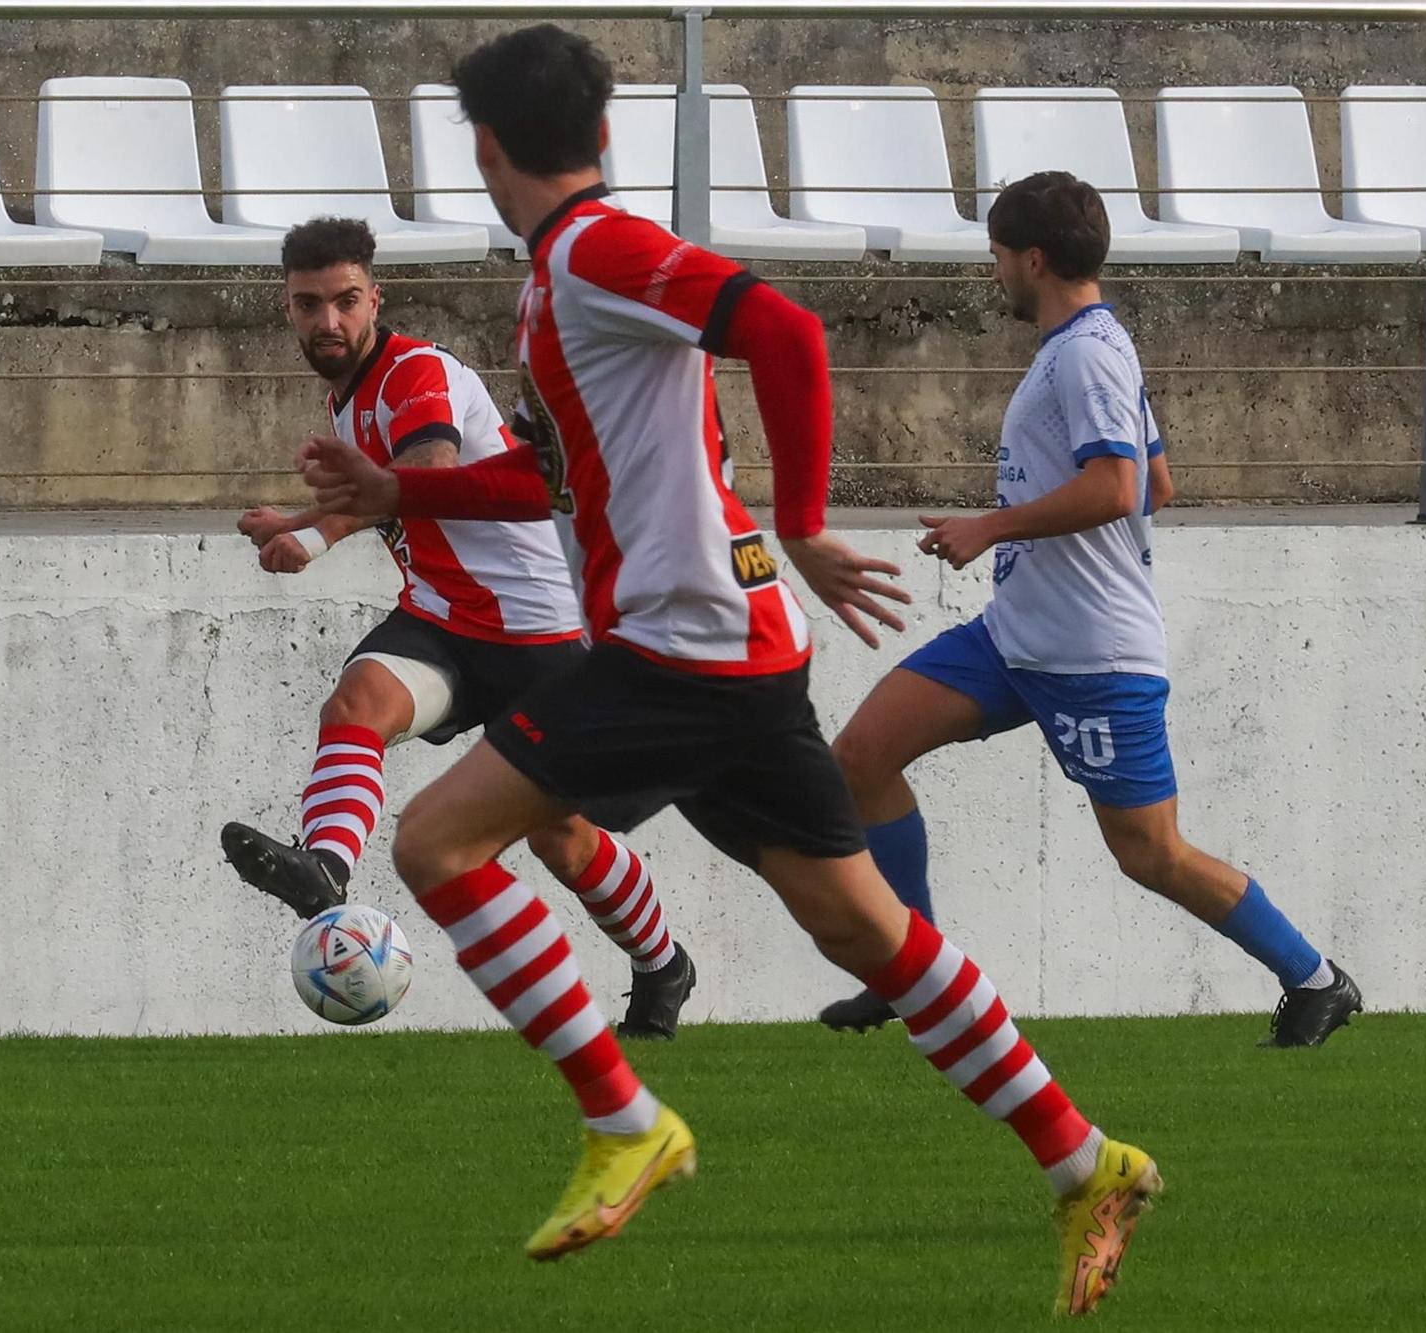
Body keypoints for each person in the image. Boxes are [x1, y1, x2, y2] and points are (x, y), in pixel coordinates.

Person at [296, 27, 1159, 1316]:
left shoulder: (590, 253)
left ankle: (622, 1117)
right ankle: (1087, 1160)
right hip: (730, 648)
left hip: (676, 646)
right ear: (597, 132)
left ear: (483, 146)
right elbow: (552, 474)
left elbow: (789, 333)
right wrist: (400, 487)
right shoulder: (568, 274)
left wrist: (805, 517)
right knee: (863, 930)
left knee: (432, 845)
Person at [814, 172, 1363, 1049]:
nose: (994, 272)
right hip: (1016, 637)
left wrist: (992, 525)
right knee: (862, 754)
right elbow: (1161, 481)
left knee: (1151, 853)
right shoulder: (1089, 346)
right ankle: (906, 975)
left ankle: (1315, 978)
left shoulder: (1085, 352)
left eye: (998, 256)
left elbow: (1121, 485)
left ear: (1032, 258)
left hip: (1091, 654)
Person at [222, 215, 697, 1039]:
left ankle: (663, 965)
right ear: (288, 307)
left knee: (563, 839)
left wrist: (313, 530)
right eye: (308, 305)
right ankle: (323, 872)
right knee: (357, 704)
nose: (327, 322)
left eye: (343, 301)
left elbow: (428, 471)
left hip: (537, 635)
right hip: (443, 619)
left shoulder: (416, 372)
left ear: (377, 298)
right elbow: (391, 483)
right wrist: (303, 519)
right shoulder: (349, 399)